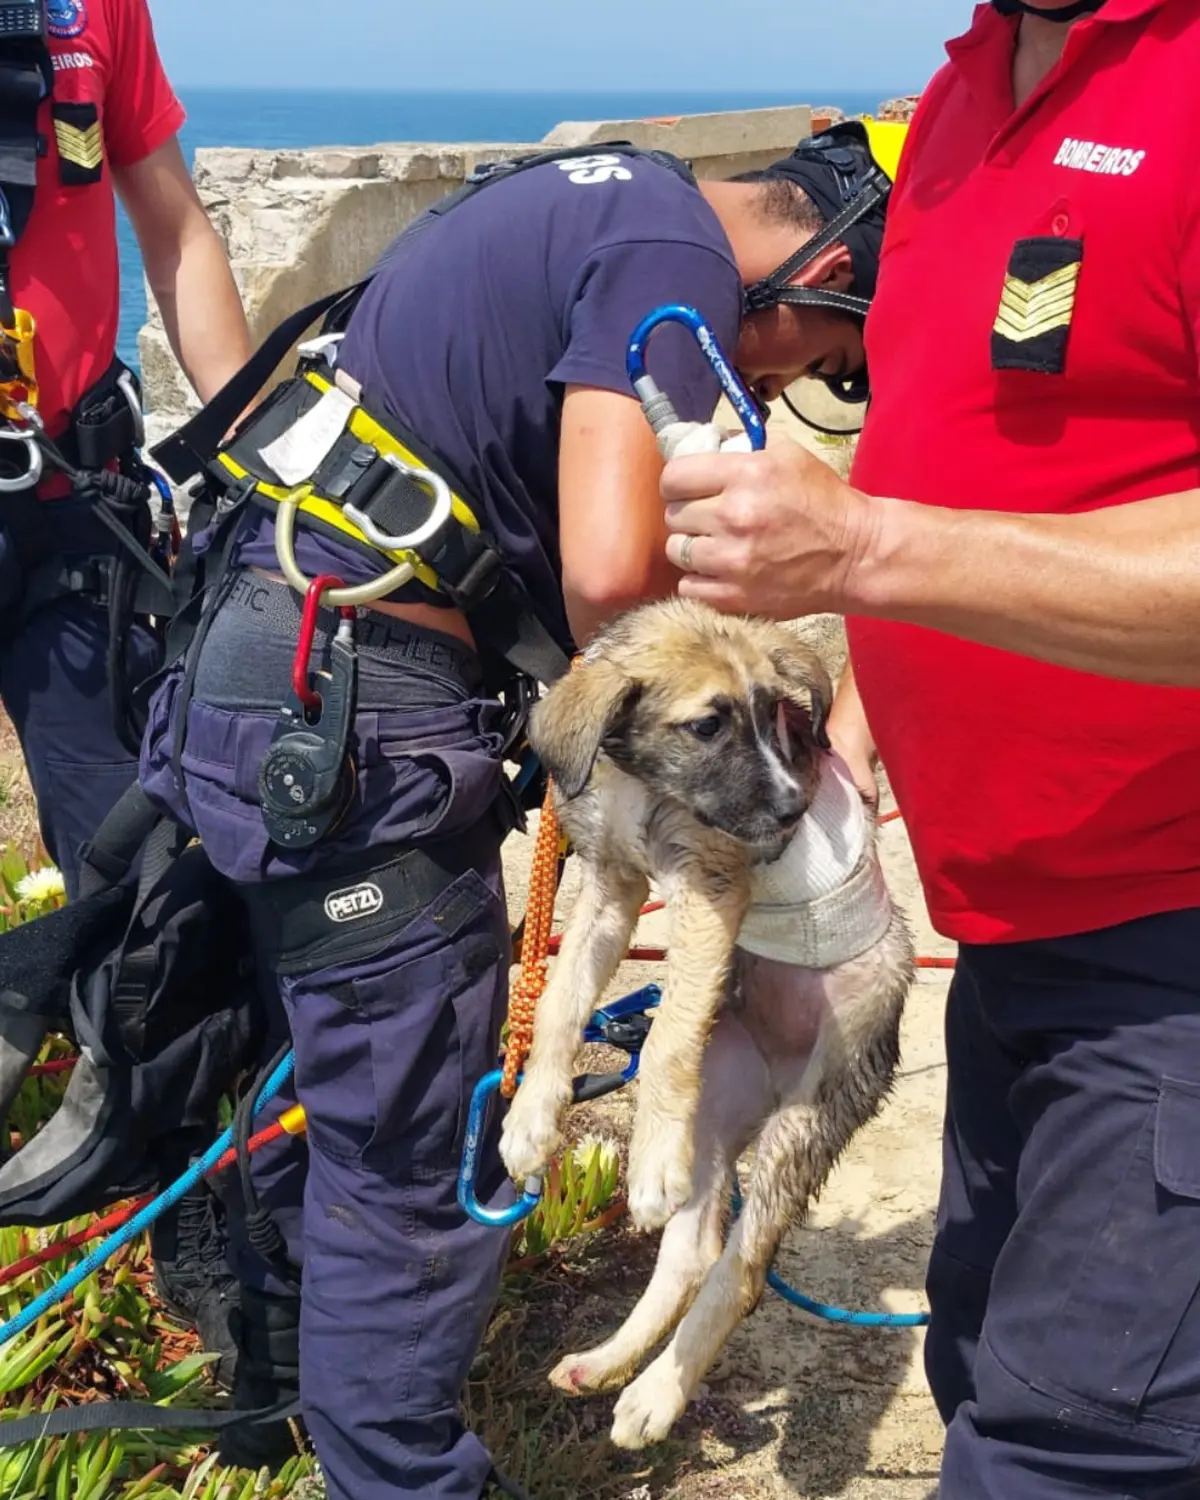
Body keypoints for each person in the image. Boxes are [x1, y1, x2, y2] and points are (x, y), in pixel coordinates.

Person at [137, 124, 900, 1495]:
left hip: (259, 658)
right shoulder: (675, 261)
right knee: (408, 1149)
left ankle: (284, 1399)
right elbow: (612, 581)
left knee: (310, 1077)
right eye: (824, 365)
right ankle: (400, 1471)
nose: (782, 388)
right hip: (366, 710)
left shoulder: (575, 194)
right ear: (828, 270)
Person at [659, 2, 1200, 1497]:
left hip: (1172, 942)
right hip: (1022, 929)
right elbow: (984, 440)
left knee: (1072, 1453)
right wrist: (853, 742)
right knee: (981, 1369)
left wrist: (863, 550)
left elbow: (899, 523)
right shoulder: (961, 101)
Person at [0, 0, 252, 1392]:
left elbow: (175, 226)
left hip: (66, 505)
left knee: (139, 862)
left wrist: (256, 446)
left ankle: (183, 1195)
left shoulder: (93, 10)